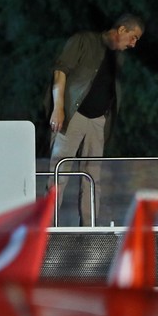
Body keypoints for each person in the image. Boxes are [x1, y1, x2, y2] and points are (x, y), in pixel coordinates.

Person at [46, 14, 144, 226]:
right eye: (133, 37)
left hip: (98, 120)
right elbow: (60, 71)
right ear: (121, 30)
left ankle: (89, 229)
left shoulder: (118, 57)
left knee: (92, 178)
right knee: (59, 174)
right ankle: (47, 228)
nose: (134, 44)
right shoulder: (84, 40)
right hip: (73, 116)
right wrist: (58, 108)